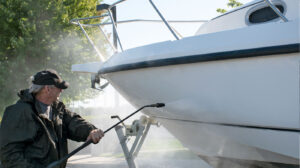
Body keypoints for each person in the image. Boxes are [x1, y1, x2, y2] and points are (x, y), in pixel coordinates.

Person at [0, 69, 104, 168]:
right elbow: (8, 154)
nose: (61, 91)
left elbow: (74, 122)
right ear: (47, 89)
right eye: (59, 87)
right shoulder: (19, 112)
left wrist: (90, 131)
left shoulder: (58, 109)